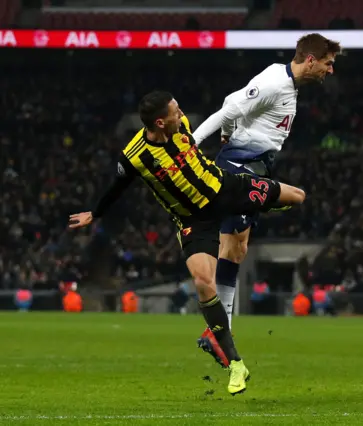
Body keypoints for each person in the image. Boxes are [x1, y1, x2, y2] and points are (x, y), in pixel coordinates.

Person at [68, 91, 305, 395]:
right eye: (175, 111)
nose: (181, 115)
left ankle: (259, 203)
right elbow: (117, 186)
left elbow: (216, 123)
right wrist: (95, 213)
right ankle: (235, 364)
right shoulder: (136, 155)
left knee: (297, 197)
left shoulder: (182, 128)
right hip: (194, 222)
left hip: (224, 188)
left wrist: (226, 134)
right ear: (159, 122)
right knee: (204, 283)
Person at [191, 33, 341, 331]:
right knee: (232, 246)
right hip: (239, 168)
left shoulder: (284, 80)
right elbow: (227, 110)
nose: (330, 69)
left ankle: (220, 327)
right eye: (328, 63)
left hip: (257, 168)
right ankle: (220, 329)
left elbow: (232, 100)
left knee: (238, 248)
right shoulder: (275, 84)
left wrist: (227, 132)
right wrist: (191, 144)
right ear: (310, 60)